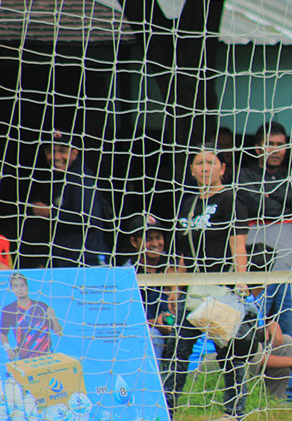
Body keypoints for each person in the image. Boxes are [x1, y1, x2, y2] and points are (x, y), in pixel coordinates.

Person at [162, 146, 256, 421]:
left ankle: (233, 416)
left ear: (223, 169)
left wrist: (241, 281)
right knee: (176, 350)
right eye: (199, 163)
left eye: (211, 162)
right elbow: (180, 255)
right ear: (190, 169)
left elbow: (237, 244)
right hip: (193, 291)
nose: (204, 168)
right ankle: (164, 415)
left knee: (228, 355)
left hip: (222, 288)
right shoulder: (186, 203)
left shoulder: (230, 199)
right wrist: (174, 288)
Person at [237, 122, 292, 355]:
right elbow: (253, 202)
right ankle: (253, 390)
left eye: (281, 144)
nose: (276, 149)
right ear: (257, 148)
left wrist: (271, 191)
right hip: (254, 275)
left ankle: (289, 392)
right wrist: (287, 198)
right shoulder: (243, 175)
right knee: (252, 338)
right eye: (270, 144)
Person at [26, 129, 110, 267]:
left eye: (62, 151)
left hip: (87, 261)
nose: (56, 157)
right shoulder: (61, 178)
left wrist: (50, 213)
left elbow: (88, 218)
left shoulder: (81, 178)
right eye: (51, 151)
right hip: (68, 260)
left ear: (75, 152)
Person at [123, 213, 179, 361]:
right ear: (134, 242)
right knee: (153, 335)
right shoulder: (127, 273)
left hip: (176, 328)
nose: (155, 244)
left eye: (158, 238)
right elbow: (123, 317)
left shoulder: (174, 266)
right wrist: (154, 322)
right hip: (146, 332)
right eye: (149, 239)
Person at [1, 272, 62, 360]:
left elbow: (59, 332)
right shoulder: (9, 310)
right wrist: (9, 351)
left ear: (27, 287)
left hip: (47, 356)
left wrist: (53, 317)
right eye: (16, 286)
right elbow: (3, 334)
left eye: (22, 285)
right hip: (25, 358)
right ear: (11, 289)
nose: (20, 289)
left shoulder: (42, 306)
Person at [247, 319, 292, 401]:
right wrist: (290, 362)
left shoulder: (255, 307)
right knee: (257, 349)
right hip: (238, 359)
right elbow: (252, 353)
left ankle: (272, 401)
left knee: (287, 343)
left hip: (255, 348)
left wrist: (270, 324)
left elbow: (258, 331)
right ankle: (243, 400)